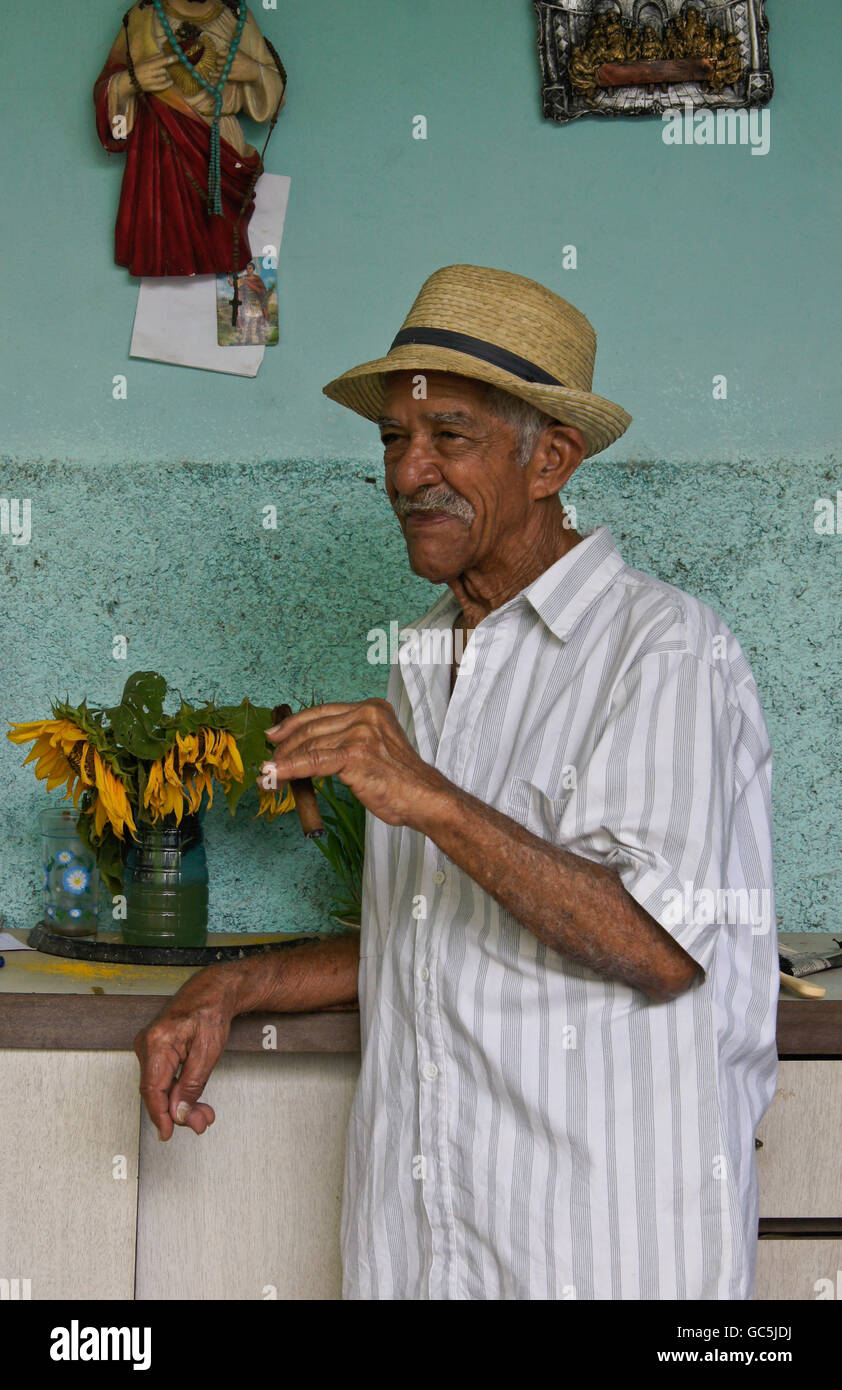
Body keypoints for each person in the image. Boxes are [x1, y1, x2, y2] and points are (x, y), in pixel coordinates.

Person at [133, 264, 778, 1300]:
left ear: (550, 458)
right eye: (393, 439)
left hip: (601, 1250)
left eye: (449, 438)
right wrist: (233, 984)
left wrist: (423, 793)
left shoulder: (662, 649)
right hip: (426, 1244)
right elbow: (431, 927)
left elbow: (656, 947)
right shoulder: (424, 659)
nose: (406, 473)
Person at [94, 0, 285, 277]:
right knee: (167, 240)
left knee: (222, 239)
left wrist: (253, 71)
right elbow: (107, 87)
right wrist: (129, 82)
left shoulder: (236, 16)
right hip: (160, 152)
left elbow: (276, 93)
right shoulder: (142, 16)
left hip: (221, 148)